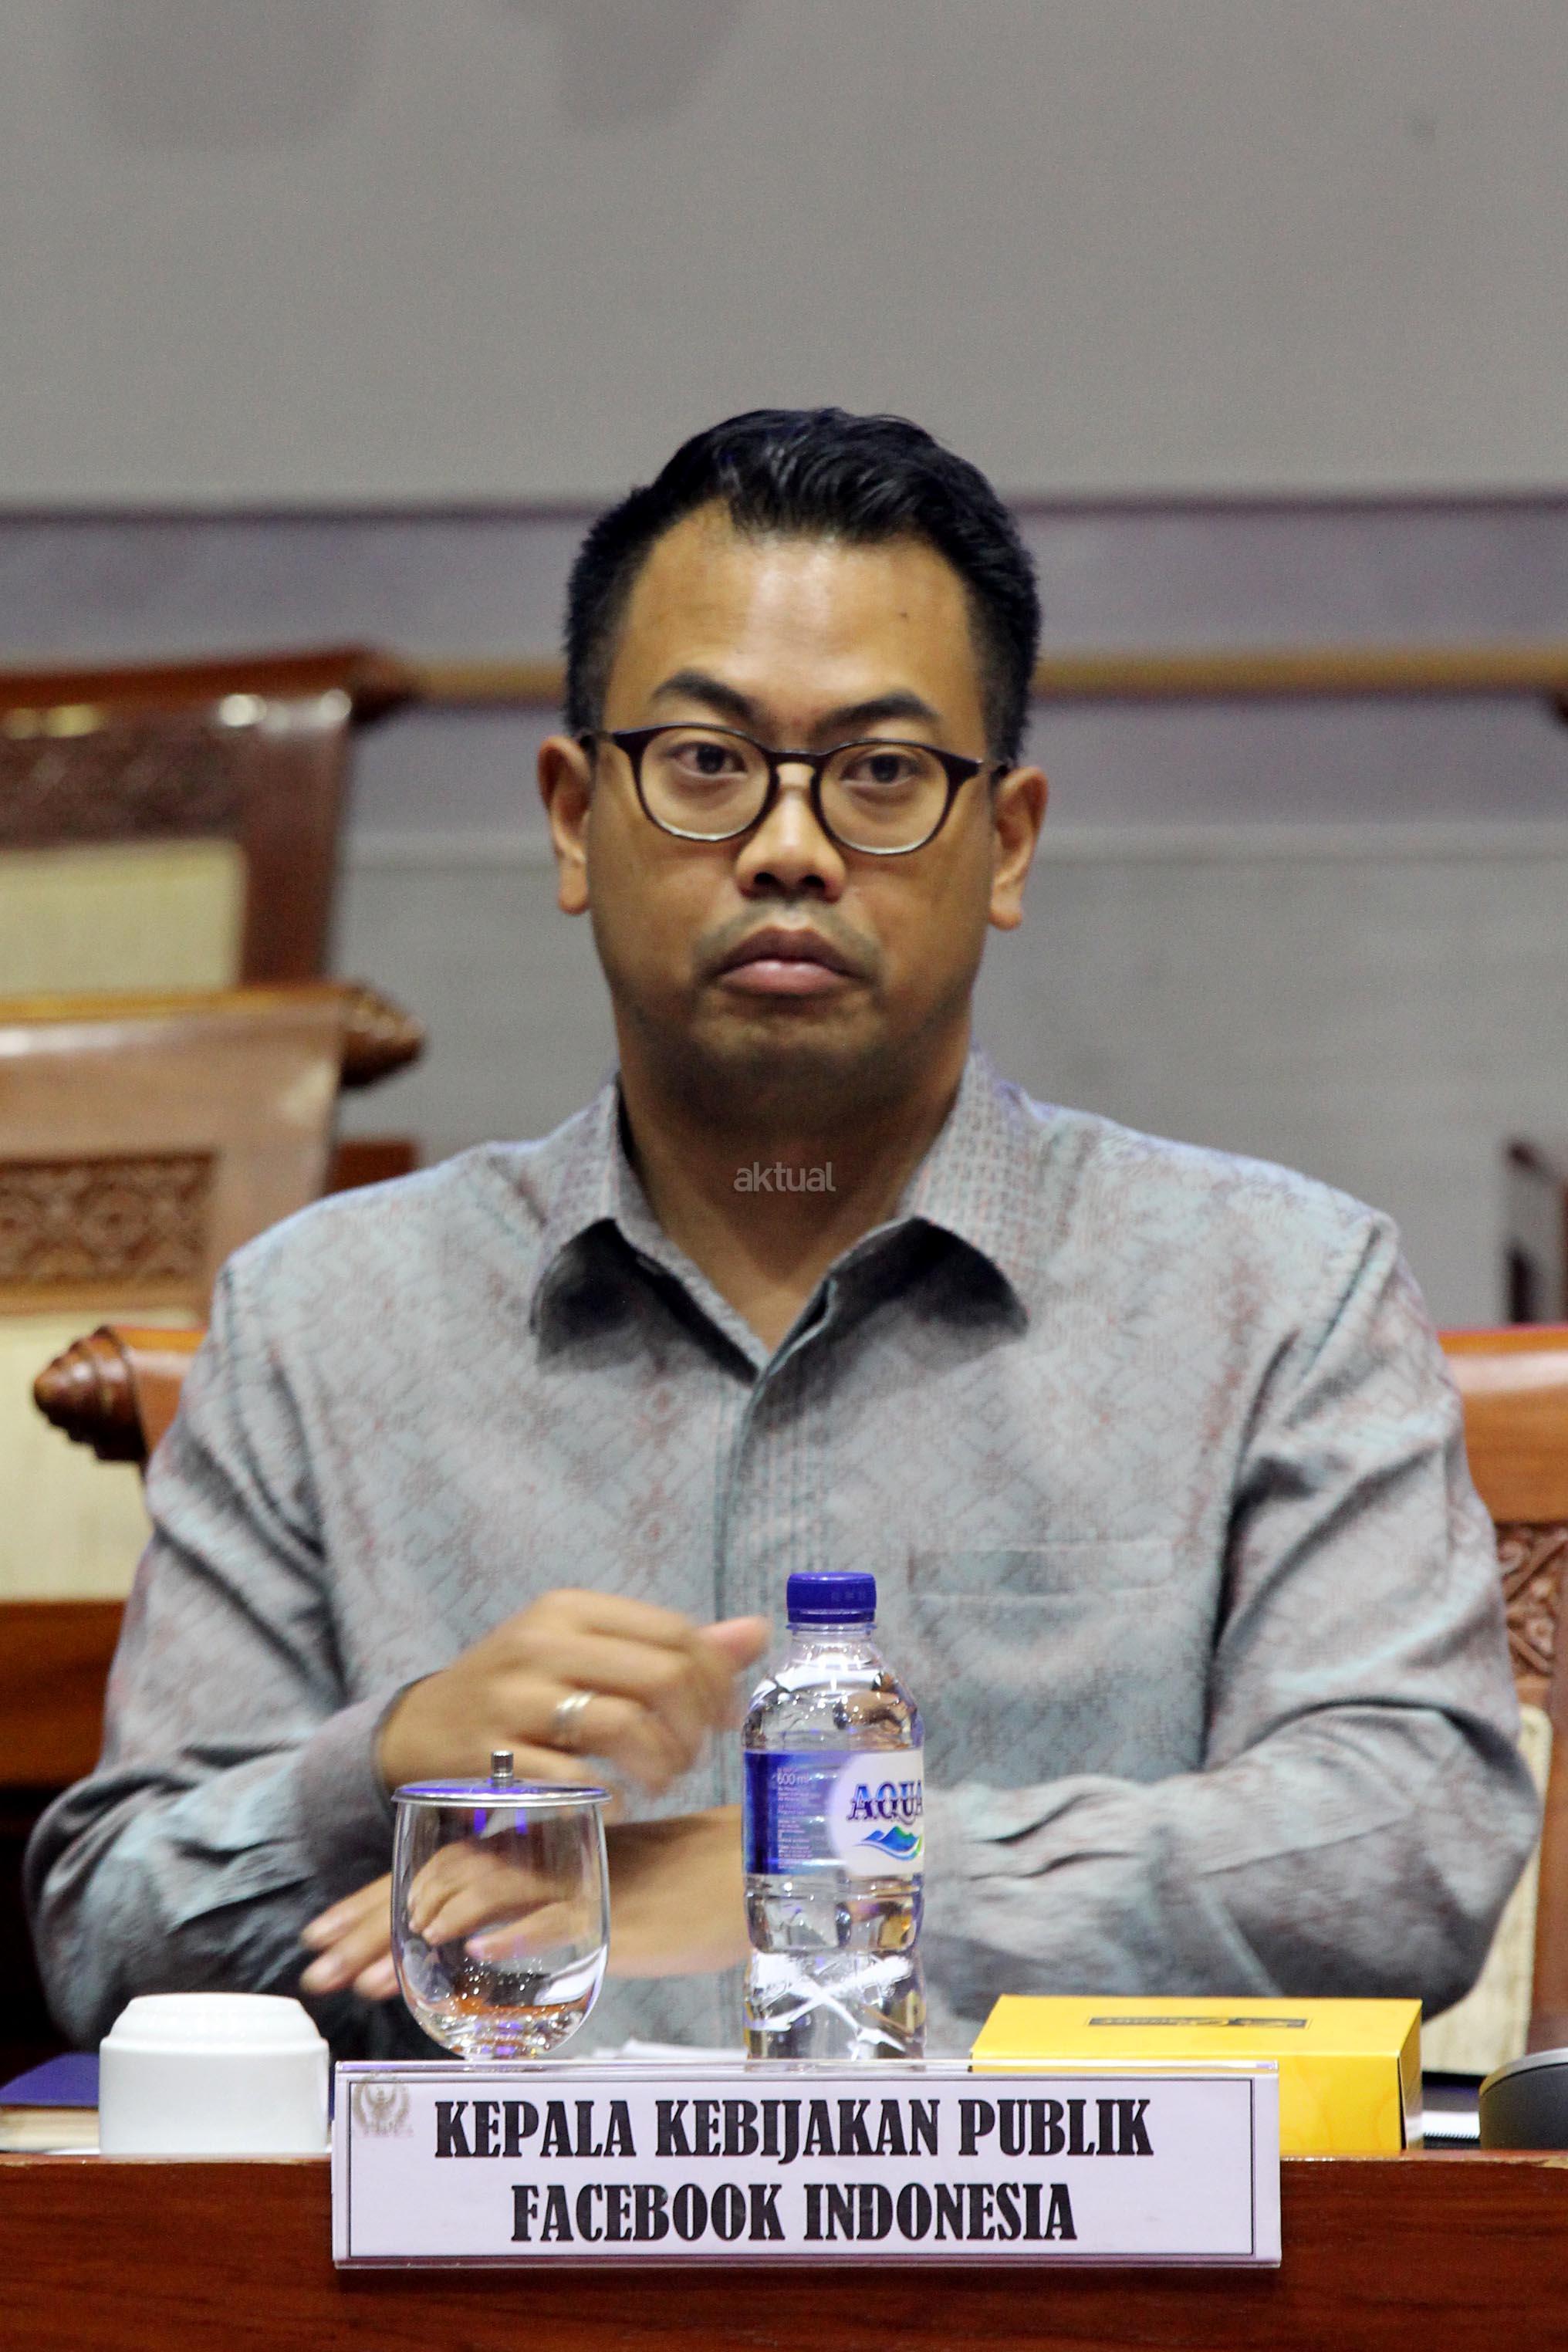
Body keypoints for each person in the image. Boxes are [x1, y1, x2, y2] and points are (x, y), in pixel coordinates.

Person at [28, 409, 1537, 2059]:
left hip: (1052, 2225)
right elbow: (107, 1929)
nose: (790, 848)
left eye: (883, 774)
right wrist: (380, 1766)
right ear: (570, 818)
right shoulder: (327, 1320)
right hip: (488, 2227)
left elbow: (1409, 1843)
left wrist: (814, 1875)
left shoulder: (1275, 1297)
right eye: (705, 764)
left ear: (1007, 843)